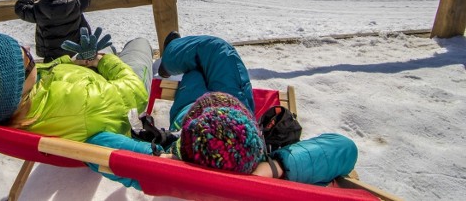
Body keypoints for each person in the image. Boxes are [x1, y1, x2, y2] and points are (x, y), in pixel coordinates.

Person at [86, 33, 358, 189]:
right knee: (217, 53)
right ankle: (174, 54)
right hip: (231, 112)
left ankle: (171, 55)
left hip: (190, 115)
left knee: (198, 65)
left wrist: (165, 158)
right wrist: (274, 167)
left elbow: (94, 144)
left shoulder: (172, 168)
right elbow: (344, 147)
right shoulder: (259, 172)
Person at [0, 30, 154, 143]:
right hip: (117, 91)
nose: (29, 54)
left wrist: (74, 61)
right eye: (25, 57)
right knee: (140, 43)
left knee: (104, 47)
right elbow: (135, 94)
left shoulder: (4, 102)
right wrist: (103, 61)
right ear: (15, 85)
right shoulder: (81, 103)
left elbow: (46, 73)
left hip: (89, 87)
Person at [15, 0, 92, 62]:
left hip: (50, 54)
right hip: (73, 48)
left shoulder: (38, 10)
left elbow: (20, 7)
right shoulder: (76, 4)